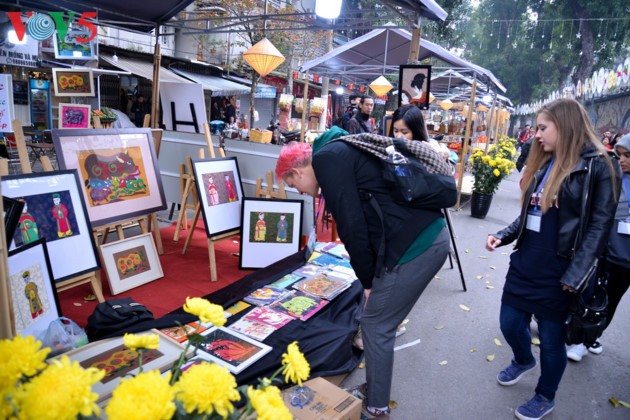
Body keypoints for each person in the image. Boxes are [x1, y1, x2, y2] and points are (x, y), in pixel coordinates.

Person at [275, 133, 451, 419]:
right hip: (423, 238)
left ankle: (377, 408)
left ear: (296, 171)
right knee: (378, 323)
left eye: (293, 184)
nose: (299, 191)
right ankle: (376, 392)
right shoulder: (337, 152)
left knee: (376, 325)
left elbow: (352, 226)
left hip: (418, 245)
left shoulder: (327, 161)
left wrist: (368, 282)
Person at [485, 98, 619, 420]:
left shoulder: (599, 165)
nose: (536, 134)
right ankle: (522, 359)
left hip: (561, 272)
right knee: (510, 322)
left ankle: (545, 395)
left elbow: (599, 228)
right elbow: (531, 212)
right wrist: (504, 234)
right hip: (526, 262)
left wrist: (575, 275)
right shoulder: (546, 162)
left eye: (543, 128)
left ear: (565, 124)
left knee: (550, 340)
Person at [566, 133, 630, 361]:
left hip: (626, 259)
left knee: (609, 300)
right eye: (620, 155)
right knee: (587, 292)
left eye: (628, 156)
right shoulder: (609, 175)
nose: (622, 160)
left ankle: (589, 337)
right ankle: (574, 331)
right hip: (601, 250)